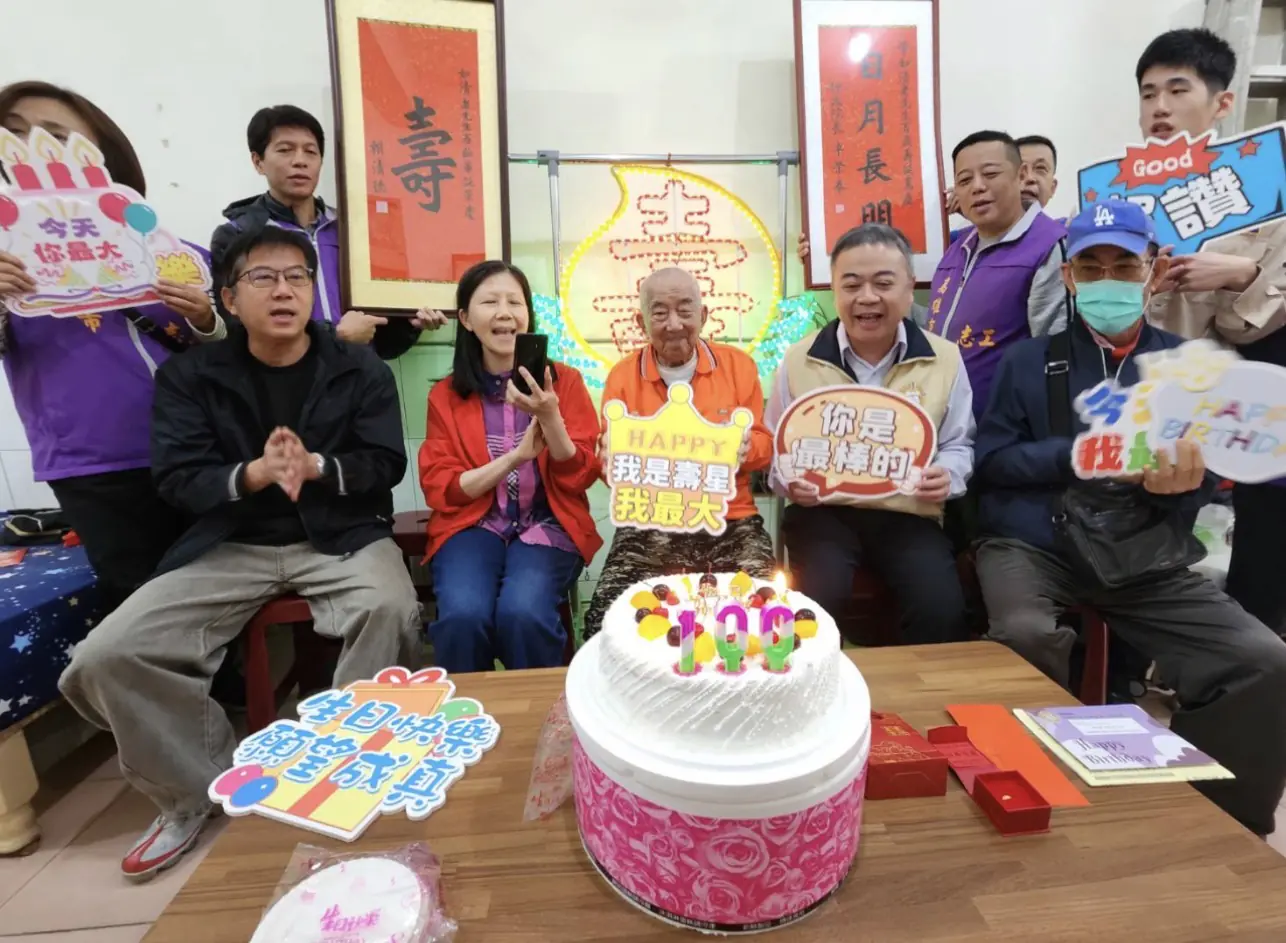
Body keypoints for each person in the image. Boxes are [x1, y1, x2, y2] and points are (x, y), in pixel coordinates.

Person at [59, 224, 421, 880]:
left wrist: (316, 466)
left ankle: (351, 770)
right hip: (231, 541)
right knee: (107, 654)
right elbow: (178, 477)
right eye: (263, 277)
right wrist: (252, 474)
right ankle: (193, 791)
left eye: (297, 277)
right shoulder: (191, 376)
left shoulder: (357, 366)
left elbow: (385, 462)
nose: (284, 291)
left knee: (391, 608)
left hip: (339, 536)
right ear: (228, 297)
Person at [973, 199, 1286, 836]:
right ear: (1069, 278)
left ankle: (1218, 822)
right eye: (1091, 268)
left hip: (1146, 555)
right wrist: (1084, 453)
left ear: (1154, 271)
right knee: (1024, 634)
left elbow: (1206, 479)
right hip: (1033, 545)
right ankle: (1021, 794)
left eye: (1124, 265)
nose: (1107, 281)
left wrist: (1179, 486)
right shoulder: (1025, 361)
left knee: (1262, 659)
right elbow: (992, 464)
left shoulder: (1191, 367)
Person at [0, 81, 225, 610]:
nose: (35, 148)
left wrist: (209, 319)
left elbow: (232, 352)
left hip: (197, 450)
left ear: (101, 150)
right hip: (91, 463)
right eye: (14, 135)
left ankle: (225, 668)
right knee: (142, 604)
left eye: (56, 136)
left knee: (221, 591)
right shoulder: (9, 261)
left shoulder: (171, 251)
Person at [1138, 28, 1286, 634]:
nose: (1160, 107)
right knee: (1135, 543)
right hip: (1136, 395)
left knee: (1254, 550)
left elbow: (1257, 324)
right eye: (1148, 93)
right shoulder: (1120, 191)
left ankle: (1242, 658)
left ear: (1222, 102)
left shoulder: (1266, 191)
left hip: (1231, 410)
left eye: (1178, 90)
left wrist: (1241, 274)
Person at [769, 224, 973, 645]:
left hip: (908, 513)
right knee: (816, 604)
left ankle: (916, 688)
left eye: (883, 283)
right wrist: (787, 481)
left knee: (940, 608)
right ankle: (818, 683)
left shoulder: (945, 359)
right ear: (834, 290)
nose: (867, 297)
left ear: (909, 287)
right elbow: (775, 446)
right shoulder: (798, 360)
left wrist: (948, 475)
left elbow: (958, 441)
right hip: (824, 513)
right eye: (852, 284)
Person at [420, 261, 601, 671]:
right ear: (466, 319)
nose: (504, 312)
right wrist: (515, 458)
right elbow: (443, 488)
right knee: (462, 617)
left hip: (548, 524)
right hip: (471, 524)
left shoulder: (566, 382)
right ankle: (469, 708)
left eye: (514, 303)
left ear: (528, 315)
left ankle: (543, 707)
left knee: (524, 613)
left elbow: (581, 476)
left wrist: (551, 418)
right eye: (490, 302)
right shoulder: (446, 395)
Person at [582, 267, 776, 640]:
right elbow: (612, 470)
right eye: (660, 313)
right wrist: (609, 461)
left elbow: (764, 446)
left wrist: (747, 447)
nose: (674, 324)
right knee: (606, 616)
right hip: (650, 520)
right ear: (640, 322)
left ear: (703, 315)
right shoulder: (622, 377)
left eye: (685, 311)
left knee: (763, 607)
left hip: (731, 519)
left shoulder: (738, 367)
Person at [210, 104, 446, 359]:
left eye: (310, 151)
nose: (300, 161)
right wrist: (335, 337)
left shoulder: (355, 231)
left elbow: (386, 346)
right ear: (258, 162)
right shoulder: (237, 236)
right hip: (282, 377)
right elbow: (236, 330)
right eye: (285, 150)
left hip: (359, 376)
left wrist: (410, 324)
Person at [928, 130, 1069, 419]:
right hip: (945, 427)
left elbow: (1057, 355)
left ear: (1021, 176)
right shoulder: (956, 249)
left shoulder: (1049, 245)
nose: (977, 187)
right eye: (964, 180)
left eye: (990, 174)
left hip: (1006, 430)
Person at [946, 134, 1061, 243]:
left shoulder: (1063, 240)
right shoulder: (958, 243)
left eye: (1040, 169)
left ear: (1053, 187)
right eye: (965, 180)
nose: (1029, 178)